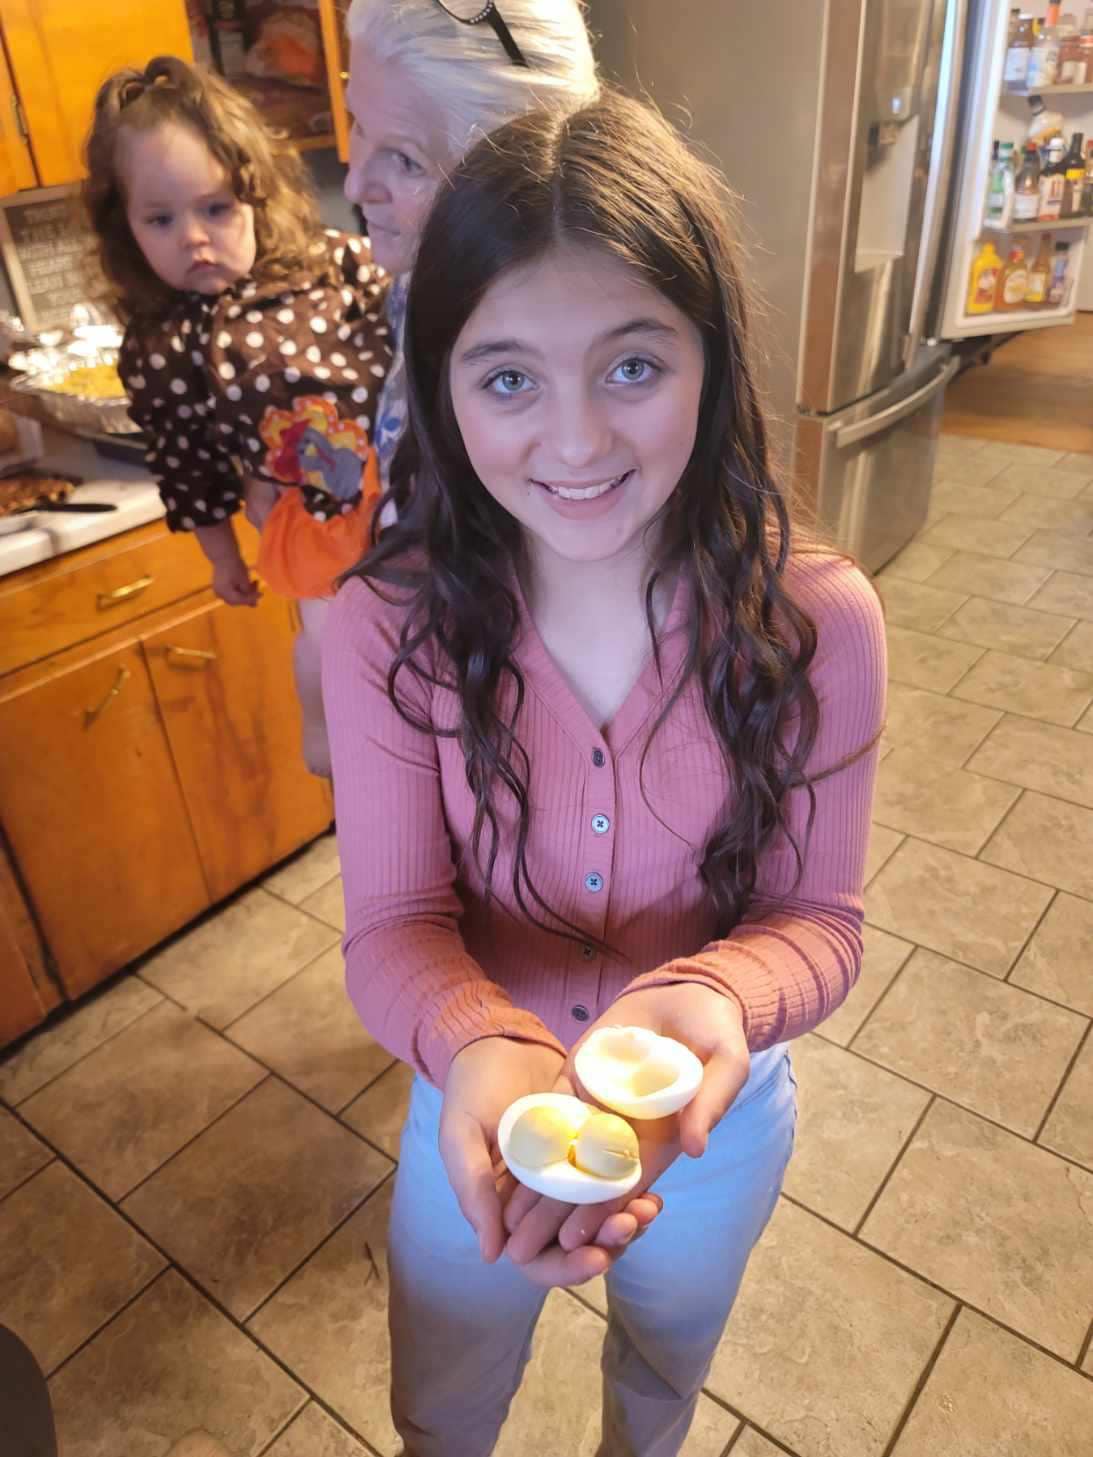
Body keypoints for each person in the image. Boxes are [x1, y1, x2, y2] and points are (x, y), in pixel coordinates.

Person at [322, 90, 886, 1457]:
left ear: (712, 359)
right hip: (474, 1097)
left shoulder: (817, 624)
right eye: (508, 378)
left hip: (711, 1122)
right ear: (442, 390)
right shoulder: (385, 621)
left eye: (632, 365)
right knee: (442, 1395)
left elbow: (819, 919)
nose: (574, 442)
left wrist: (723, 993)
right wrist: (481, 1043)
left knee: (660, 1375)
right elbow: (392, 924)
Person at [84, 56, 391, 776]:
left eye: (216, 209)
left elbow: (410, 327)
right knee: (332, 639)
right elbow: (186, 465)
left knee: (427, 641)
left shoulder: (331, 263)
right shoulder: (164, 342)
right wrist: (221, 556)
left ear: (256, 195)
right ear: (126, 229)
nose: (193, 237)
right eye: (161, 219)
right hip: (311, 515)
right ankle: (328, 737)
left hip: (408, 491)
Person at [341, 0, 599, 486]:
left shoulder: (547, 372)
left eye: (406, 161)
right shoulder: (417, 281)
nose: (355, 186)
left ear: (524, 182)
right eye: (357, 122)